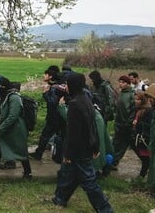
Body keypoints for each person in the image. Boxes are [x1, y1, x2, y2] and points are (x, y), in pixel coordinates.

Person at [49, 72, 114, 212]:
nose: (65, 86)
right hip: (85, 148)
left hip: (79, 151)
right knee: (68, 176)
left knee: (89, 183)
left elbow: (74, 133)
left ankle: (105, 209)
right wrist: (95, 147)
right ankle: (60, 199)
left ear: (72, 85)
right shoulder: (86, 100)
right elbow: (92, 127)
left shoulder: (74, 104)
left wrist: (67, 154)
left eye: (67, 84)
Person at [0, 80, 32, 179]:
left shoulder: (14, 98)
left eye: (1, 87)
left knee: (21, 150)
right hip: (10, 128)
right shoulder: (8, 96)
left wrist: (0, 129)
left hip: (16, 129)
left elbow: (13, 116)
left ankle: (28, 173)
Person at [30, 65, 63, 161]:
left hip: (53, 117)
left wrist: (45, 93)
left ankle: (39, 153)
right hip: (59, 116)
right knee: (61, 135)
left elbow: (52, 102)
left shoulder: (53, 88)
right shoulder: (59, 85)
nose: (43, 76)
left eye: (45, 74)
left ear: (50, 76)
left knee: (45, 135)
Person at [111, 75, 135, 169]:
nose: (121, 84)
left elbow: (133, 111)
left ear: (128, 84)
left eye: (123, 82)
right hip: (118, 123)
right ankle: (111, 161)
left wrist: (128, 123)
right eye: (120, 82)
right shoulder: (121, 93)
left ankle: (114, 162)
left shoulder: (132, 95)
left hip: (126, 125)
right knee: (115, 143)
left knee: (122, 145)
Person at [131, 91, 153, 180]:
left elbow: (147, 125)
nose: (136, 101)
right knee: (143, 157)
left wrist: (138, 124)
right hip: (137, 136)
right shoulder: (137, 109)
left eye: (138, 99)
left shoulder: (147, 111)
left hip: (143, 138)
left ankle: (142, 176)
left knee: (145, 158)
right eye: (135, 99)